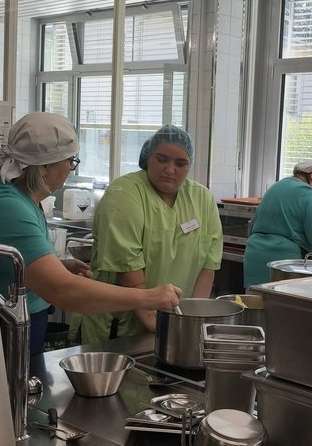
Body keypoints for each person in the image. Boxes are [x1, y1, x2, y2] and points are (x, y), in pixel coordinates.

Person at [0, 112, 182, 355]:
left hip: (19, 321)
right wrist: (148, 298)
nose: (71, 169)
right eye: (70, 161)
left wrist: (56, 266)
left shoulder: (17, 194)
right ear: (44, 166)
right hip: (3, 330)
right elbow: (65, 291)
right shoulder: (7, 207)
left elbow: (12, 261)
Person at [70, 125, 223, 344]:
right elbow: (127, 269)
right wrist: (155, 323)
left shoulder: (202, 199)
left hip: (175, 321)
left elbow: (208, 265)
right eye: (162, 159)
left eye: (180, 163)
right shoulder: (124, 194)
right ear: (147, 157)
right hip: (120, 326)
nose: (170, 169)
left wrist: (191, 319)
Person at [244, 161, 312, 287]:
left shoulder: (276, 186)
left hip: (254, 256)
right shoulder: (309, 194)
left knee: (256, 297)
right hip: (283, 262)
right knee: (281, 299)